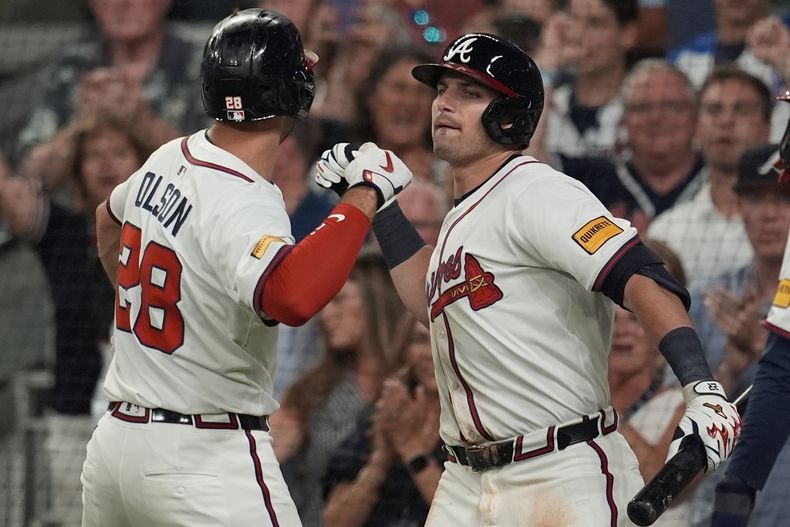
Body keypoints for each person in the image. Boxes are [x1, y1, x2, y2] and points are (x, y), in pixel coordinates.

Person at [315, 32, 741, 526]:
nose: (444, 104)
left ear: (511, 116)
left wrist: (702, 388)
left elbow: (642, 274)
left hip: (557, 468)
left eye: (470, 94)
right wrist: (380, 206)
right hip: (467, 479)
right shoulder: (465, 213)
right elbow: (428, 298)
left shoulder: (537, 191)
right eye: (443, 90)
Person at [81, 9, 412, 527]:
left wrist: (149, 311)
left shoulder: (171, 155)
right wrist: (364, 194)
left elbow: (107, 219)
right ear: (292, 94)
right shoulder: (245, 197)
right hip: (203, 456)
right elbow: (292, 297)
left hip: (116, 446)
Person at [13, 0, 208, 202]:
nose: (122, 4)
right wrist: (79, 127)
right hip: (78, 227)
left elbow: (222, 169)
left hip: (177, 219)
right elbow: (30, 175)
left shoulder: (202, 64)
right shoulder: (70, 69)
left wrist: (144, 124)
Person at [270, 249, 409, 527]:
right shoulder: (311, 392)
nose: (325, 316)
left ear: (377, 301)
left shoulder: (418, 387)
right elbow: (264, 456)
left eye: (339, 301)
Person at [709, 95, 790, 527]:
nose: (771, 215)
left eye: (783, 198)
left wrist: (765, 348)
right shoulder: (708, 300)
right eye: (757, 200)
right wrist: (730, 366)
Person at [647, 65, 773, 284]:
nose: (726, 121)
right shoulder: (667, 231)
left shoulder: (782, 225)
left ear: (768, 128)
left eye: (742, 110)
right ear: (696, 127)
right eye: (714, 110)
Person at [322, 317, 444, 527]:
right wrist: (381, 458)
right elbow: (335, 522)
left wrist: (411, 448)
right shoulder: (385, 411)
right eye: (420, 340)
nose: (430, 352)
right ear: (405, 348)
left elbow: (467, 515)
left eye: (441, 340)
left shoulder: (478, 423)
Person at [560, 59, 704, 232]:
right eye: (642, 108)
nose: (656, 118)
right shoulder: (592, 179)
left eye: (671, 106)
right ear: (624, 119)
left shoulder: (718, 180)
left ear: (695, 115)